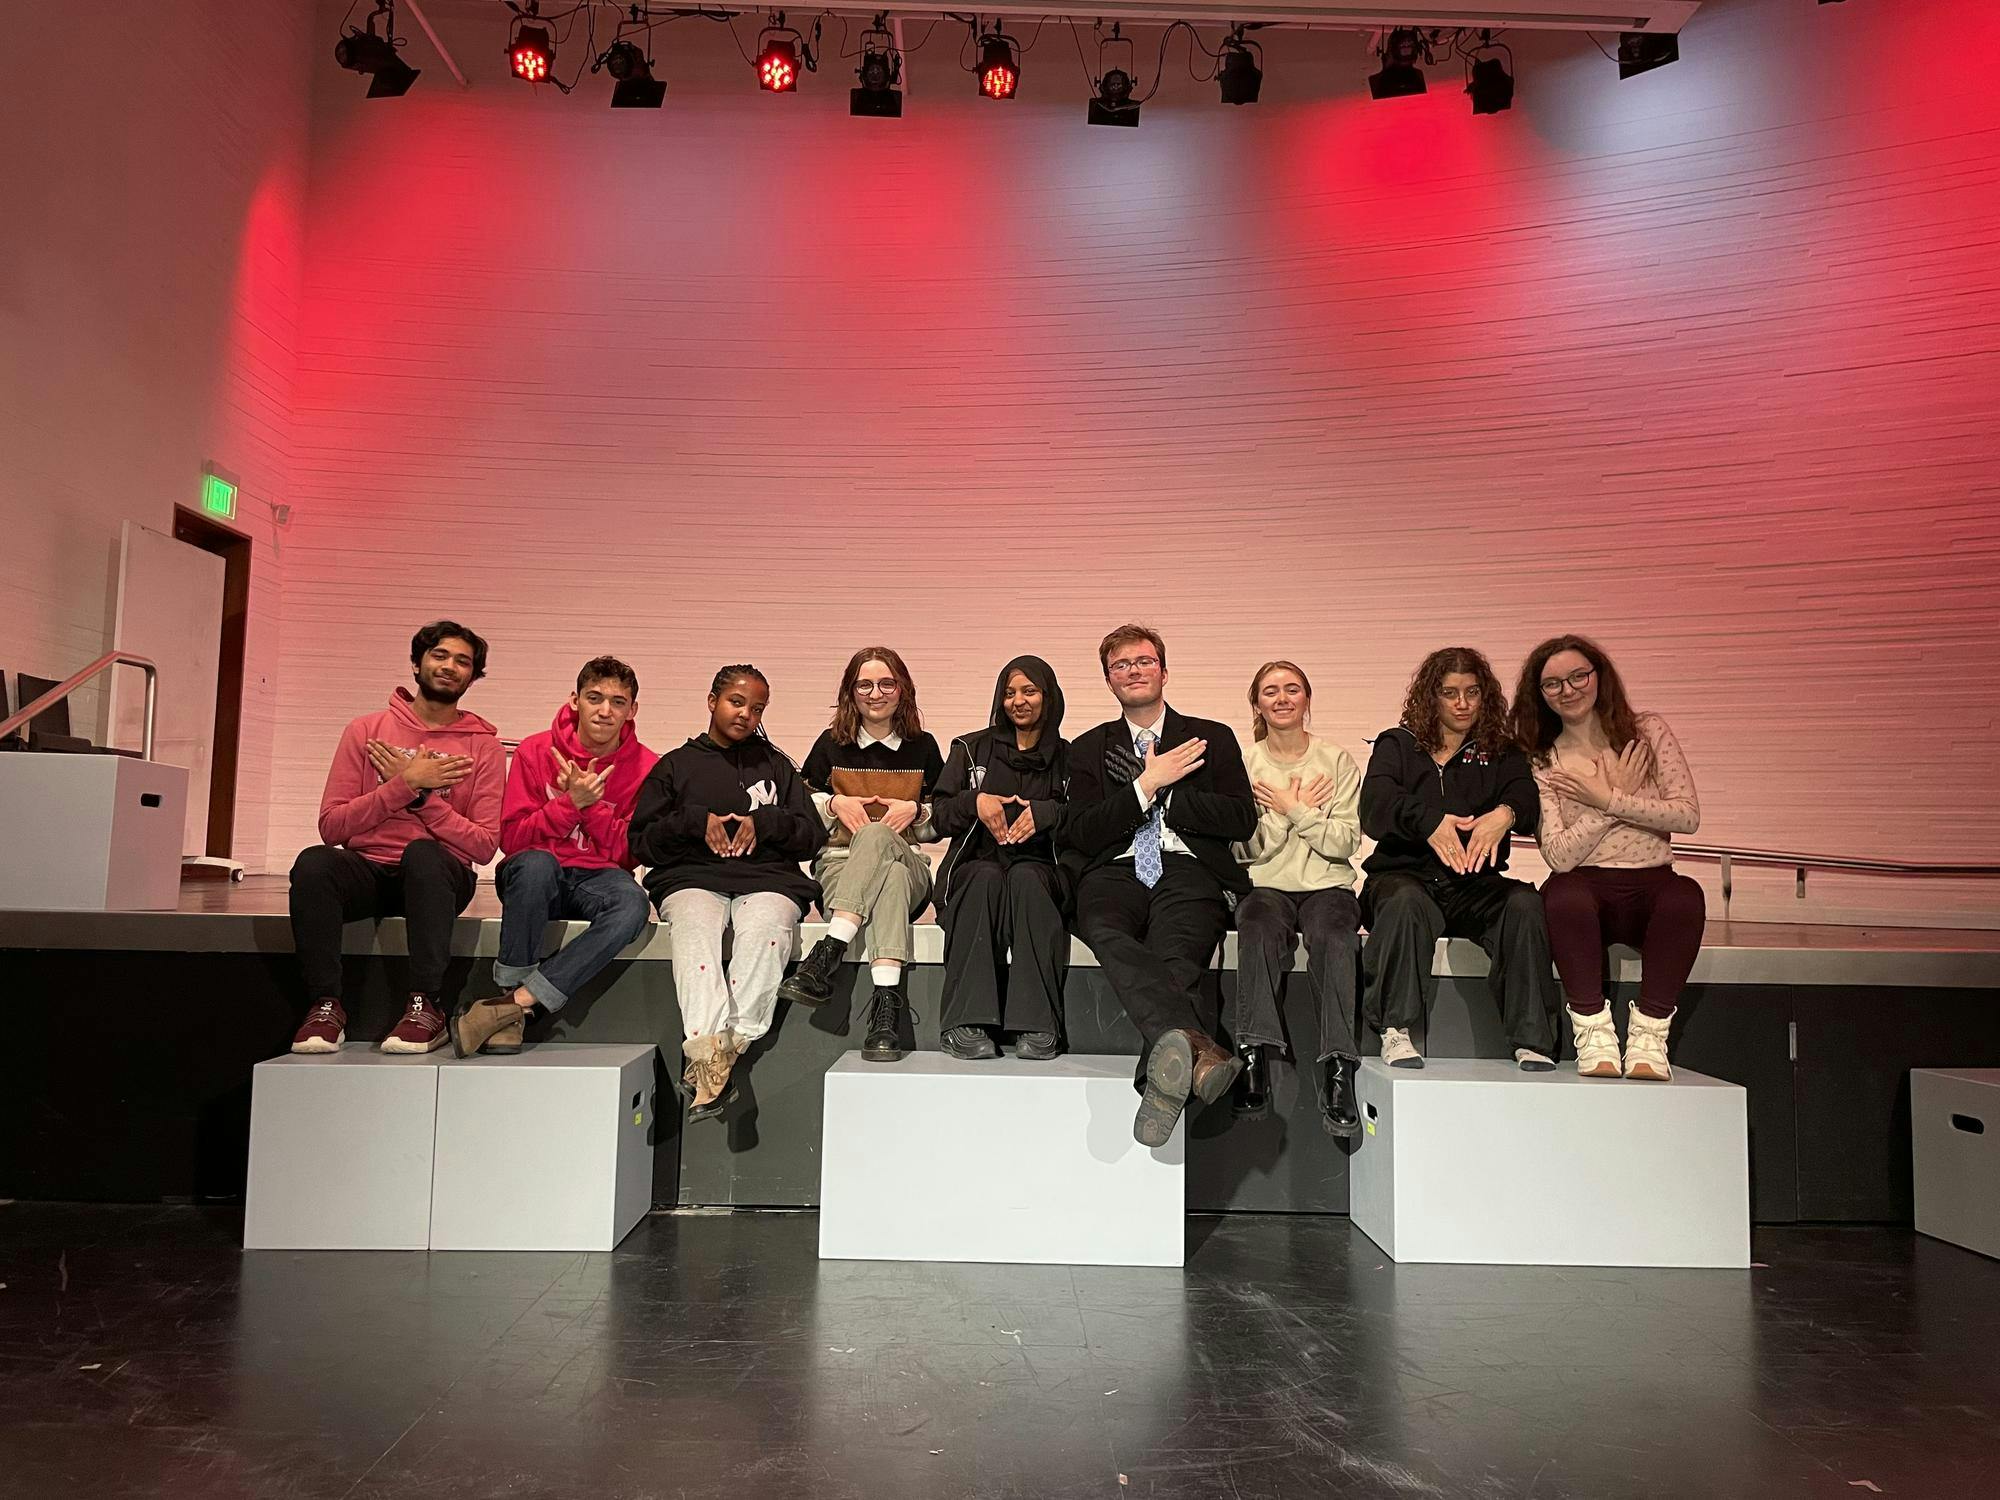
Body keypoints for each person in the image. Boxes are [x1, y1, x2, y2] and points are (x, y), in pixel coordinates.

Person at [1059, 624, 1257, 1147]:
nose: (1134, 671)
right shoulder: (1087, 748)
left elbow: (1241, 819)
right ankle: (1202, 1055)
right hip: (1115, 868)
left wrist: (1170, 790)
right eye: (1121, 665)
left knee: (1178, 955)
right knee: (1105, 929)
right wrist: (1143, 785)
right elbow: (1082, 831)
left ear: (1164, 671)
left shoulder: (1210, 737)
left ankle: (1161, 1081)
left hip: (1188, 867)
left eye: (1144, 661)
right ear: (1109, 680)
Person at [289, 621, 504, 1054]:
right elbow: (332, 826)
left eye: (463, 661)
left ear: (472, 676)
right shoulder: (366, 731)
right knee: (314, 863)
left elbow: (483, 846)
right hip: (370, 870)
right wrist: (404, 786)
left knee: (424, 854)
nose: (450, 666)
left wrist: (422, 798)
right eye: (440, 655)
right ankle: (325, 1005)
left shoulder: (484, 747)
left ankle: (427, 1004)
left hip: (438, 878)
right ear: (416, 663)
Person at [626, 666, 825, 1117]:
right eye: (737, 702)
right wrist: (695, 822)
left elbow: (811, 837)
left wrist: (765, 822)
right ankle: (713, 1056)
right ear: (712, 700)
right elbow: (642, 844)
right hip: (691, 877)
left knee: (768, 929)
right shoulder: (675, 765)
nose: (746, 714)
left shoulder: (776, 765)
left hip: (768, 879)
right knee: (694, 929)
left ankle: (716, 1056)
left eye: (757, 708)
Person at [1358, 647, 1559, 1071]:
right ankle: (1394, 1029)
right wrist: (1429, 822)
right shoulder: (1399, 744)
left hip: (1474, 885)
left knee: (1524, 904)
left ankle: (1533, 1041)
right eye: (1450, 693)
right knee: (1404, 903)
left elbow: (1526, 797)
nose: (1463, 703)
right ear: (1431, 697)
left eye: (1472, 692)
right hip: (1405, 877)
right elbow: (1375, 806)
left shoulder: (1501, 751)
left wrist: (1505, 814)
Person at [1514, 634, 1704, 1082]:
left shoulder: (1646, 732)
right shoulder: (1542, 759)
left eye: (1578, 676)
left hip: (1652, 879)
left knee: (1686, 897)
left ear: (1599, 676)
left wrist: (1610, 797)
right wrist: (1608, 803)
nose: (1568, 689)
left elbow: (1687, 815)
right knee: (1562, 896)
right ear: (1540, 694)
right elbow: (1558, 855)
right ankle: (1593, 1033)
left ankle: (1649, 1037)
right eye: (1553, 683)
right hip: (1584, 885)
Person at [451, 657, 657, 1059]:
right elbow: (513, 839)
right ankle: (510, 997)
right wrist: (569, 804)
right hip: (535, 870)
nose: (605, 710)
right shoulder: (535, 751)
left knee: (633, 904)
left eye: (618, 702)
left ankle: (511, 1006)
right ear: (575, 700)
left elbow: (627, 855)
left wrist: (591, 808)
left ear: (632, 710)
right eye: (594, 698)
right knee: (536, 866)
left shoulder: (647, 767)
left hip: (598, 877)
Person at [778, 648, 944, 1063]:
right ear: (850, 692)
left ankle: (828, 952)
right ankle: (885, 1015)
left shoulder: (923, 748)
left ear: (902, 689)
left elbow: (944, 818)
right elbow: (800, 805)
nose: (876, 693)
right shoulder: (830, 745)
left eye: (886, 683)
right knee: (889, 879)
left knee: (878, 839)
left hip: (909, 862)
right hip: (840, 866)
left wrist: (917, 811)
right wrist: (833, 804)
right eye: (865, 685)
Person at [1231, 661, 1365, 1136]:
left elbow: (1345, 843)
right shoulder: (1245, 764)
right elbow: (1241, 849)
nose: (1282, 698)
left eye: (1292, 689)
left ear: (1307, 699)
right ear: (1257, 703)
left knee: (1335, 937)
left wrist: (1294, 809)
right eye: (1271, 691)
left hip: (1327, 885)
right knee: (1256, 929)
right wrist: (1287, 815)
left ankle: (1338, 1069)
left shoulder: (1336, 760)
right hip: (1266, 885)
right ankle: (1252, 1055)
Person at [930, 656, 1072, 1061]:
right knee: (984, 878)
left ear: (1048, 696)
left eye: (1029, 691)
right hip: (977, 864)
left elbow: (1086, 821)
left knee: (1027, 879)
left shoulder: (1068, 757)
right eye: (1009, 693)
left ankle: (1038, 1024)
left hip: (1041, 868)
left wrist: (1047, 813)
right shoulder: (969, 749)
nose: (1018, 701)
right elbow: (939, 815)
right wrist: (974, 802)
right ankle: (964, 1023)